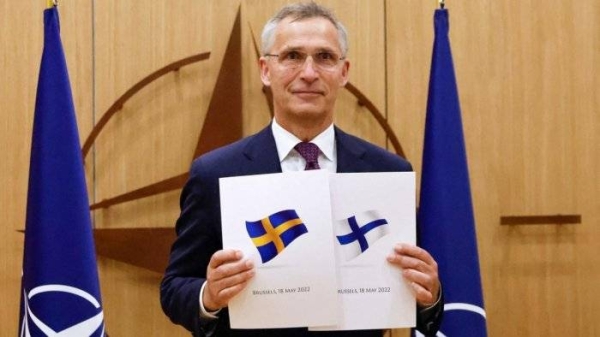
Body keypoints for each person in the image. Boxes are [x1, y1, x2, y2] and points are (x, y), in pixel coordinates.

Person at [160, 2, 443, 336]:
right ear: (265, 70)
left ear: (344, 72)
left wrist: (431, 294)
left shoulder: (388, 173)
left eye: (324, 57)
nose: (309, 73)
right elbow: (175, 287)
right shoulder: (216, 173)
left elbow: (423, 298)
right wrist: (209, 296)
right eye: (292, 56)